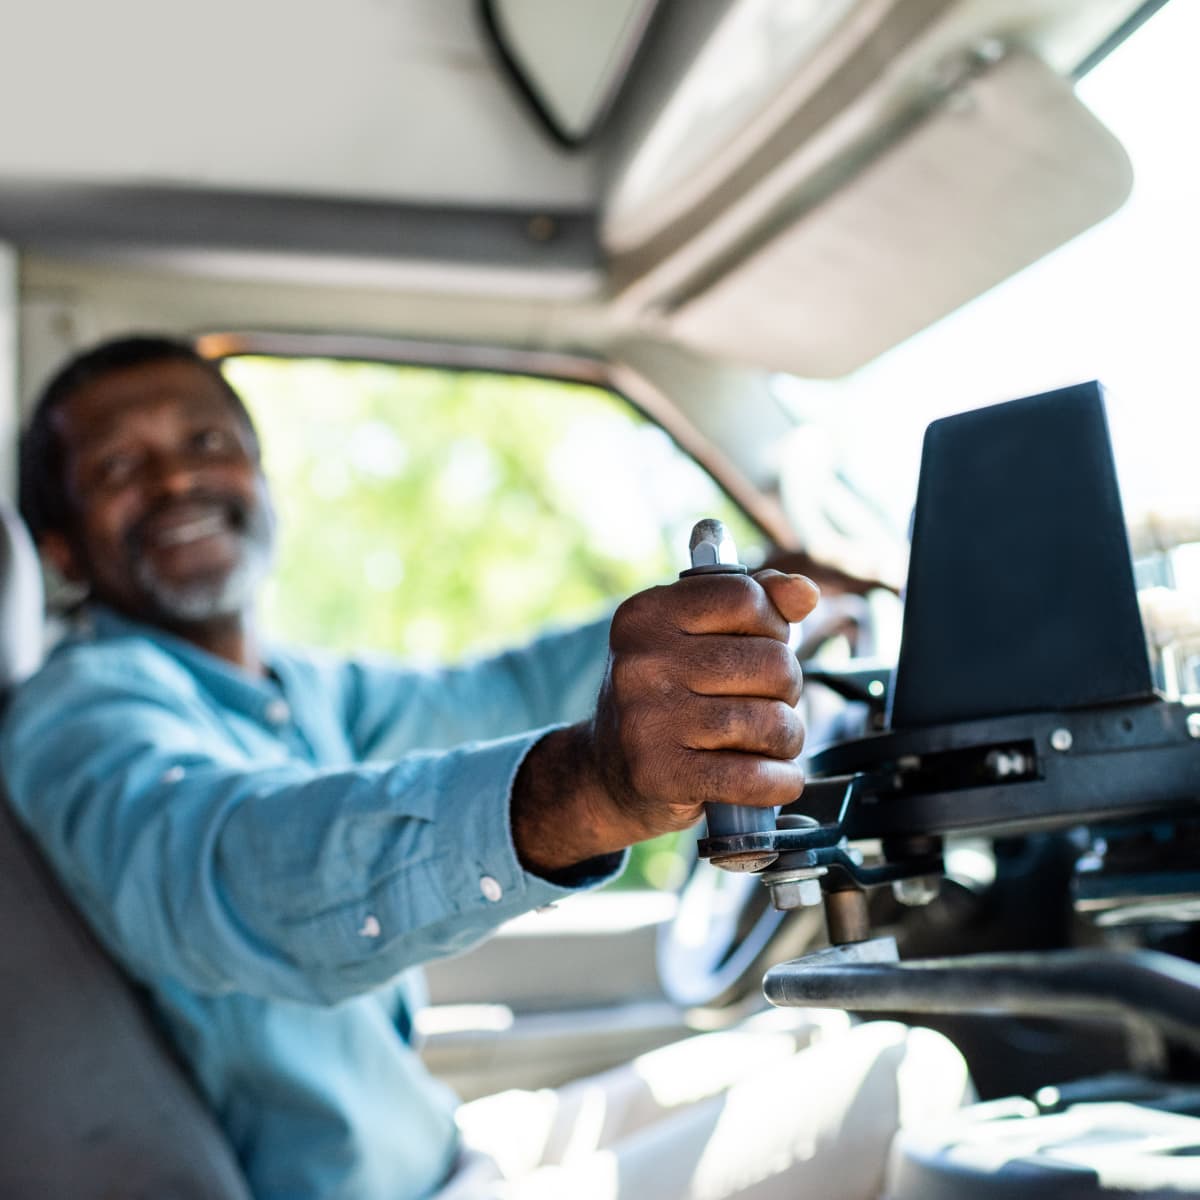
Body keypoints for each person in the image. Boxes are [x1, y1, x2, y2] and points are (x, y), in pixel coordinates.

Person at [0, 335, 969, 1199]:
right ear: (62, 548)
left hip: (437, 1153)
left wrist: (744, 617)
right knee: (896, 1078)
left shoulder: (293, 687)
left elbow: (499, 694)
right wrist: (588, 791)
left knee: (810, 1036)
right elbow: (237, 865)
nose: (178, 481)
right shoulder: (82, 714)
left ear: (259, 475)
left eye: (207, 443)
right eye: (122, 466)